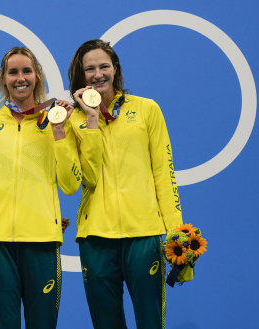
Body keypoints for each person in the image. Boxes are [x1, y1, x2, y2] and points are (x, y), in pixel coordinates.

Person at [0, 46, 101, 329]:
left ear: (38, 76)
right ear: (3, 79)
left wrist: (58, 133)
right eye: (13, 72)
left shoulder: (56, 121)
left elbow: (70, 185)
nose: (21, 78)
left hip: (42, 241)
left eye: (27, 71)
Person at [67, 39, 184, 329]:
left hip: (143, 235)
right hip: (95, 238)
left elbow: (164, 174)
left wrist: (177, 234)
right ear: (80, 77)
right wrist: (91, 121)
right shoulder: (72, 121)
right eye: (89, 69)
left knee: (151, 322)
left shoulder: (147, 110)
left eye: (104, 66)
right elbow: (84, 178)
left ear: (115, 69)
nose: (98, 74)